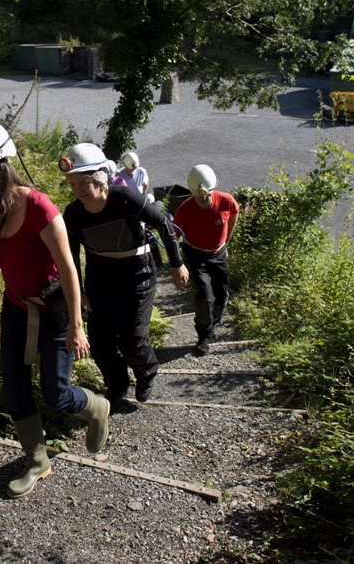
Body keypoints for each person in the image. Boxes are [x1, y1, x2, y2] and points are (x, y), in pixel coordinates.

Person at [0, 120, 110, 499]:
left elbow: (68, 267)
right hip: (15, 308)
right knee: (15, 391)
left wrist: (77, 327)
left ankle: (97, 407)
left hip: (54, 311)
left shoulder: (38, 206)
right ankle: (37, 460)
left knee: (57, 395)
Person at [60, 143, 189, 406]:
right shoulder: (73, 213)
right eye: (72, 185)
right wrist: (81, 293)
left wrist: (177, 264)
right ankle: (117, 384)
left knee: (133, 337)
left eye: (83, 183)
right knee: (100, 340)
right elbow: (71, 258)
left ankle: (146, 373)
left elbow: (164, 223)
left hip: (137, 274)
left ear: (100, 178)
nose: (78, 191)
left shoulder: (125, 199)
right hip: (100, 277)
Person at [173, 165, 240, 356]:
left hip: (218, 253)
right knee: (205, 298)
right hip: (195, 255)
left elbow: (234, 212)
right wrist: (176, 264)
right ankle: (204, 337)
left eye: (206, 195)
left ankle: (210, 325)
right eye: (198, 196)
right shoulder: (185, 210)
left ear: (212, 189)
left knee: (221, 298)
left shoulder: (226, 200)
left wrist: (227, 239)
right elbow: (173, 237)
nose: (203, 199)